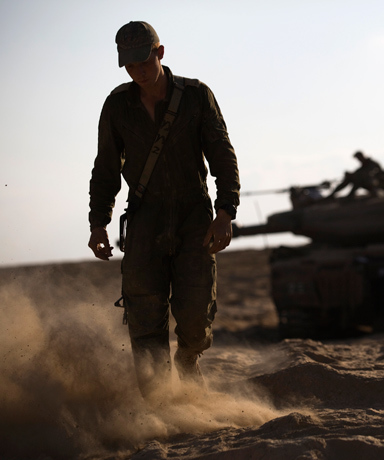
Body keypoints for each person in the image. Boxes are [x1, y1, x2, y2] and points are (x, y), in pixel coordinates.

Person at [87, 21, 240, 398]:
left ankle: (188, 363)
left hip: (193, 215)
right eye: (129, 63)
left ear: (160, 52)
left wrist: (225, 211)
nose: (138, 69)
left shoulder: (195, 96)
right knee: (144, 318)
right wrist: (98, 223)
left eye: (144, 59)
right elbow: (106, 167)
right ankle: (158, 404)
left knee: (194, 314)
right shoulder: (117, 106)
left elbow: (222, 154)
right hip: (145, 218)